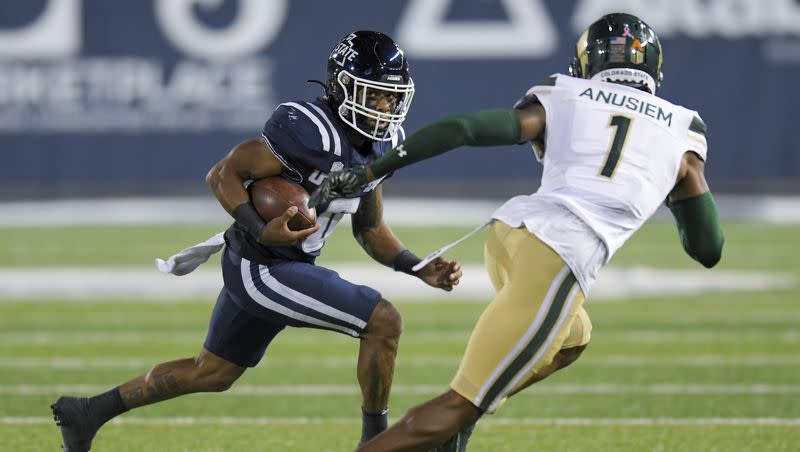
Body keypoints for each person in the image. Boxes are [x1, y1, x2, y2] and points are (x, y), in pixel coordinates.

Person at [309, 14, 724, 451]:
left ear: (585, 62)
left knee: (573, 337)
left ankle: (467, 416)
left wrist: (372, 170)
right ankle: (460, 420)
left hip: (510, 237)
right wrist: (680, 188)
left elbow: (465, 129)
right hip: (559, 258)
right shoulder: (683, 128)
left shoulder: (566, 91)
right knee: (455, 405)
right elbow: (707, 248)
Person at [50, 30, 462, 452]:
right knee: (384, 321)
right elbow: (222, 174)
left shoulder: (384, 145)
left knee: (210, 372)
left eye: (391, 98)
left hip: (284, 266)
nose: (383, 108)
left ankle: (87, 413)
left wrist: (415, 264)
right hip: (261, 265)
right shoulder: (308, 131)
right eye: (373, 95)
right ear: (340, 87)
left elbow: (370, 229)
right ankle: (378, 443)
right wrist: (259, 225)